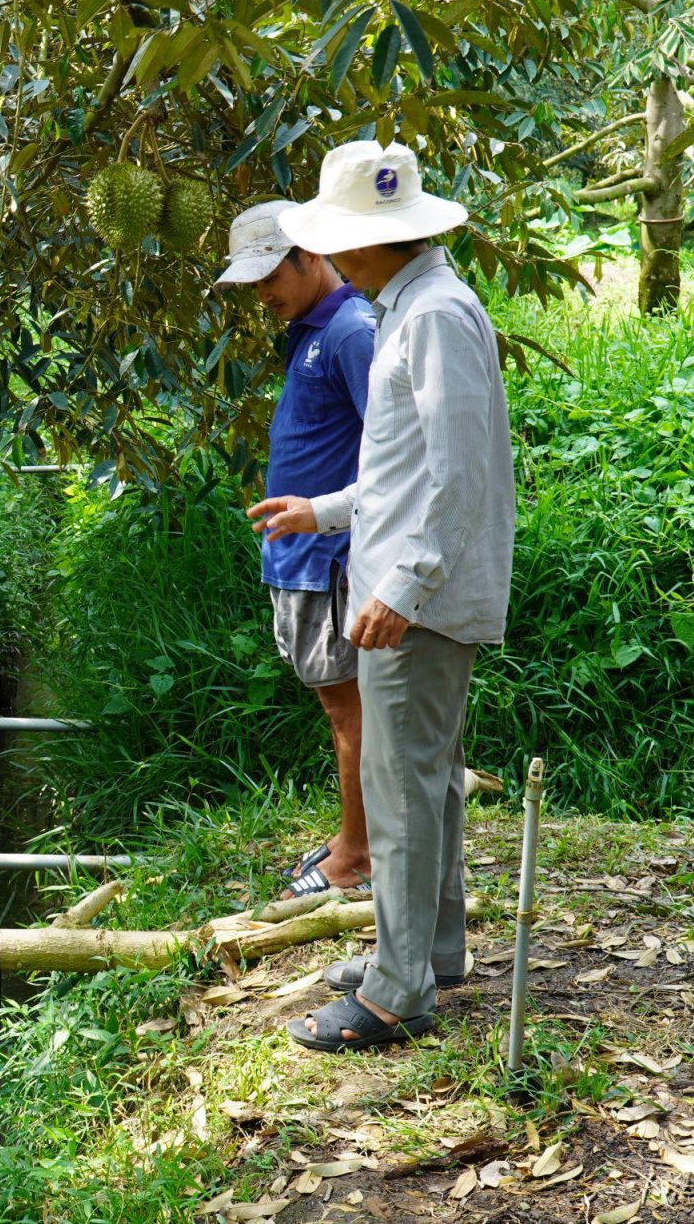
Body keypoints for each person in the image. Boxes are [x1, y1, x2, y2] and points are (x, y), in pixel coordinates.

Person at [245, 141, 515, 1052]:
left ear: (363, 241)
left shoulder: (432, 315)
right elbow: (401, 468)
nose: (329, 254)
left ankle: (397, 992)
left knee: (398, 789)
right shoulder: (410, 308)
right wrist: (321, 510)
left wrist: (403, 586)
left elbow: (458, 473)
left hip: (417, 602)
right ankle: (428, 950)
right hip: (406, 588)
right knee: (423, 781)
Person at [216, 202, 377, 900]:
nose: (261, 294)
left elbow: (393, 449)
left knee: (349, 709)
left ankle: (358, 855)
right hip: (300, 557)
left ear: (310, 255)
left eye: (269, 276)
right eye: (251, 283)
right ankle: (353, 836)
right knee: (337, 705)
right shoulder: (311, 330)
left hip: (331, 556)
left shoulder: (350, 331)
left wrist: (330, 519)